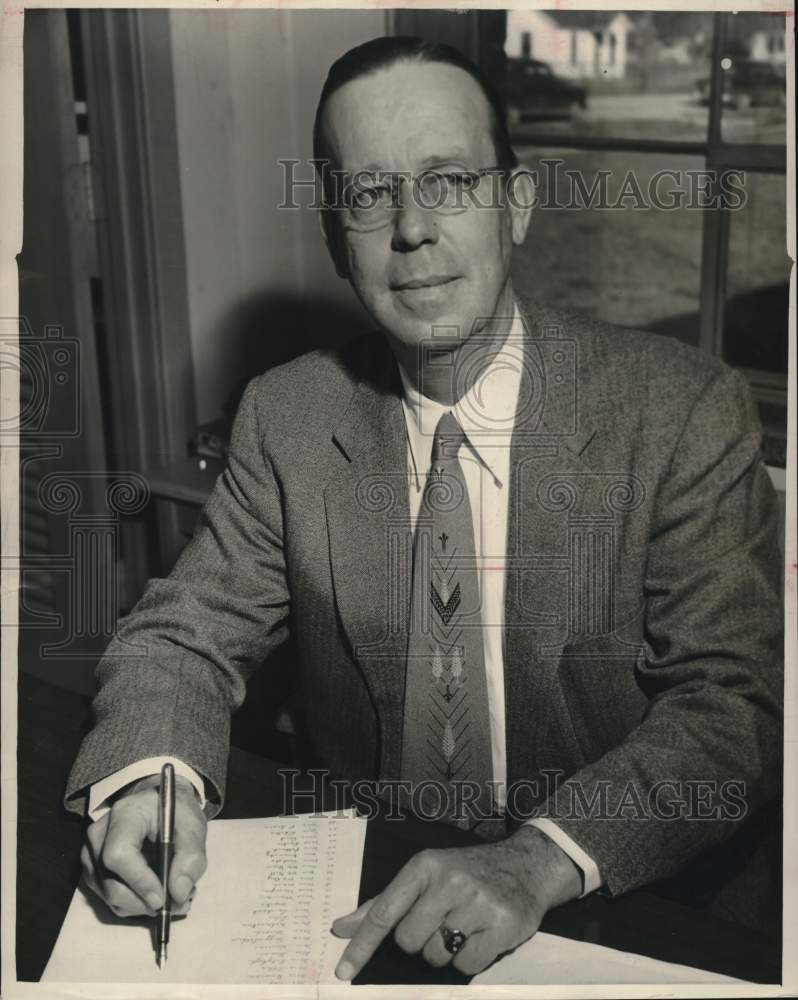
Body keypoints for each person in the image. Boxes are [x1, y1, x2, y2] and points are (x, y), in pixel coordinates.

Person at [65, 36, 783, 980]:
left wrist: (539, 859)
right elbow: (184, 633)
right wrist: (149, 778)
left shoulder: (681, 409)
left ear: (515, 205)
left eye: (447, 182)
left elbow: (732, 706)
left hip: (624, 909)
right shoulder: (289, 413)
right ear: (335, 238)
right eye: (369, 195)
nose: (411, 228)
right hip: (368, 905)